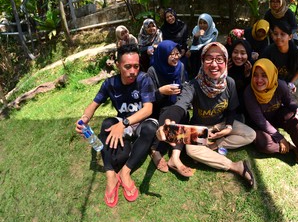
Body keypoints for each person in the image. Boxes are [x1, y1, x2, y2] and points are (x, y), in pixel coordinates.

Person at [157, 42, 257, 187]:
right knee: (191, 151)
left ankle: (214, 145)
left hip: (221, 124)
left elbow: (232, 110)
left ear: (225, 61)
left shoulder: (230, 83)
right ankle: (236, 166)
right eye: (209, 59)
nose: (214, 64)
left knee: (250, 134)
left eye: (219, 59)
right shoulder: (193, 85)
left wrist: (228, 126)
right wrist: (167, 121)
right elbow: (180, 105)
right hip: (200, 128)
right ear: (202, 61)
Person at [75, 44, 158, 208]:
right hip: (123, 123)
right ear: (118, 65)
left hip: (140, 122)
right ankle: (110, 175)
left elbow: (148, 109)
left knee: (150, 128)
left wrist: (124, 123)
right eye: (127, 67)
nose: (133, 71)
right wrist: (84, 118)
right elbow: (93, 105)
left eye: (136, 66)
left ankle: (126, 172)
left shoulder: (144, 79)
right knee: (107, 124)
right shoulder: (110, 84)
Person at [244, 58, 298, 180]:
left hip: (277, 115)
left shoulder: (280, 85)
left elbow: (289, 102)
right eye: (255, 75)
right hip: (260, 124)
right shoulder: (249, 93)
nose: (259, 80)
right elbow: (260, 120)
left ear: (271, 74)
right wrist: (280, 138)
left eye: (264, 75)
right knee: (263, 144)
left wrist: (297, 108)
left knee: (296, 121)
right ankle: (292, 148)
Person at [147, 40, 194, 177]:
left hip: (176, 103)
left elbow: (185, 85)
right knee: (167, 116)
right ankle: (155, 149)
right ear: (162, 54)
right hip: (159, 106)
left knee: (184, 116)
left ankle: (175, 157)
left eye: (177, 53)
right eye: (171, 54)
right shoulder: (153, 70)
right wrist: (161, 91)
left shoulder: (181, 67)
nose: (176, 56)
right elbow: (148, 97)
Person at [261, 20, 298, 93]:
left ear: (290, 37)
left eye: (282, 34)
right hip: (269, 84)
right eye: (275, 34)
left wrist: (291, 83)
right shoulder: (268, 52)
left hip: (284, 86)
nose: (278, 37)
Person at [227, 39, 253, 122]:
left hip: (245, 112)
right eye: (235, 52)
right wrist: (224, 73)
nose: (238, 56)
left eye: (243, 53)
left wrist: (247, 76)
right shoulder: (225, 66)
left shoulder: (253, 68)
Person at [186, 13, 218, 78]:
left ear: (209, 23)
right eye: (200, 23)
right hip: (196, 56)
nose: (202, 25)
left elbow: (209, 46)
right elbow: (193, 45)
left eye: (205, 23)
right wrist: (196, 37)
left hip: (207, 54)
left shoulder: (213, 32)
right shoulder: (196, 29)